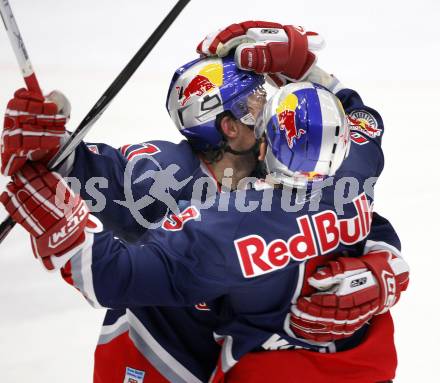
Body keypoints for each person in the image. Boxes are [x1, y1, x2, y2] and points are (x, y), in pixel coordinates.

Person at [0, 60, 408, 383]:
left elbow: (366, 216)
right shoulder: (163, 179)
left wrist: (382, 264)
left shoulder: (307, 171)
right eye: (252, 102)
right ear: (229, 127)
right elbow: (89, 173)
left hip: (248, 359)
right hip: (162, 358)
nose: (266, 106)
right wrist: (48, 148)